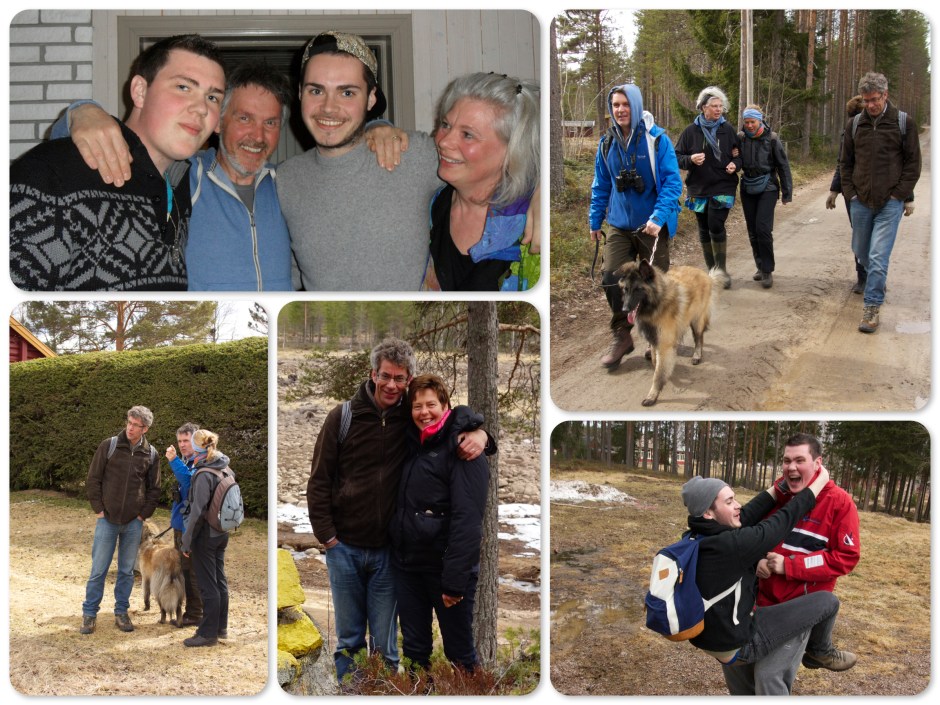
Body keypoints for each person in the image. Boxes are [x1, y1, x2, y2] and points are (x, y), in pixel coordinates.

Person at [278, 31, 539, 291]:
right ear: (300, 93)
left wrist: (543, 193)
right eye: (316, 90)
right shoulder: (283, 181)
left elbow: (523, 152)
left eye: (347, 93)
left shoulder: (414, 155)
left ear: (371, 98)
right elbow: (281, 274)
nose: (328, 108)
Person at [306, 338, 492, 684]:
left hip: (388, 554)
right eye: (386, 376)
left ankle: (388, 692)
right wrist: (327, 536)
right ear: (372, 374)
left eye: (400, 378)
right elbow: (318, 479)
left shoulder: (409, 418)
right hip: (343, 547)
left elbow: (453, 417)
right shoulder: (343, 417)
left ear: (408, 379)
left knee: (387, 644)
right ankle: (352, 692)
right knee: (349, 639)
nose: (392, 385)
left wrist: (481, 433)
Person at [49, 60, 295, 291]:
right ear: (218, 123)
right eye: (244, 118)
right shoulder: (182, 174)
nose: (258, 136)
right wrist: (80, 113)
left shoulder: (286, 184)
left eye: (270, 123)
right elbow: (92, 152)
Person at [10, 34, 225, 291]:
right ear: (140, 91)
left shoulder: (187, 183)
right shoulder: (51, 173)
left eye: (212, 98)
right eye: (183, 87)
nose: (201, 108)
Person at [681, 469, 843, 695]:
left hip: (712, 639)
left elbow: (747, 514)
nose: (738, 505)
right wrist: (818, 484)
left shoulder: (696, 536)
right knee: (827, 601)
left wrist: (779, 488)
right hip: (739, 645)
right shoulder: (731, 545)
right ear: (708, 512)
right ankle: (819, 651)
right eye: (730, 501)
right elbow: (780, 522)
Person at [389, 375, 489, 673]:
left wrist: (455, 581)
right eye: (417, 405)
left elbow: (468, 520)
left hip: (447, 572)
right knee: (415, 651)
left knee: (459, 652)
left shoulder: (464, 448)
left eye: (431, 404)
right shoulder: (411, 442)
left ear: (445, 405)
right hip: (408, 568)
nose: (424, 412)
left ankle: (471, 694)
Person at [588, 83, 682, 367]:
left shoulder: (657, 140)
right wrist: (595, 219)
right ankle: (622, 335)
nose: (620, 110)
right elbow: (601, 185)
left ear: (636, 106)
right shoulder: (607, 144)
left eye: (625, 104)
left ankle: (662, 338)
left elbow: (672, 183)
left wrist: (657, 218)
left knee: (656, 285)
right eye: (615, 105)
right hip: (618, 225)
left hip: (650, 225)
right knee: (610, 278)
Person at [422, 72, 540, 291]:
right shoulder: (434, 205)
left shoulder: (530, 223)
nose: (444, 141)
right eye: (446, 125)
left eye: (467, 135)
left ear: (512, 150)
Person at [755, 433, 860, 672]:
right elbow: (755, 537)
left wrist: (790, 565)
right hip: (760, 603)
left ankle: (819, 650)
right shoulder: (777, 496)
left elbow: (846, 557)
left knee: (769, 678)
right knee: (741, 676)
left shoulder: (840, 502)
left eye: (799, 460)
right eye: (786, 460)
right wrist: (758, 560)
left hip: (799, 608)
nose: (791, 467)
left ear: (817, 463)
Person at [839, 71, 921, 333]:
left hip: (890, 203)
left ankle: (872, 307)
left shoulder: (903, 123)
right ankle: (877, 278)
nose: (870, 105)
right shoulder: (854, 125)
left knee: (877, 255)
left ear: (885, 95)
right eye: (866, 100)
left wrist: (900, 195)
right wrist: (850, 194)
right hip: (860, 201)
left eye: (874, 99)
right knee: (862, 252)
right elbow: (845, 163)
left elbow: (912, 164)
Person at [80, 406, 161, 634]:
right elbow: (93, 479)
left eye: (136, 425)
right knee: (99, 570)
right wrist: (99, 510)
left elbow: (154, 489)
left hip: (133, 523)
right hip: (107, 520)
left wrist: (141, 516)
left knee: (126, 571)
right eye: (129, 422)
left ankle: (121, 612)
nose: (131, 427)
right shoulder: (109, 445)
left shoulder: (151, 454)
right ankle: (89, 614)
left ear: (145, 429)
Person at [674, 86, 741, 288]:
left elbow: (740, 155)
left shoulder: (727, 129)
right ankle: (712, 273)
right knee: (703, 228)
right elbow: (677, 157)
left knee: (715, 224)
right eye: (714, 106)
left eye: (721, 106)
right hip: (698, 188)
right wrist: (691, 159)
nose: (719, 110)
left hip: (723, 186)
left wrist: (735, 165)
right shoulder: (690, 131)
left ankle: (721, 271)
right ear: (703, 107)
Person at [181, 429, 233, 647]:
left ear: (197, 447)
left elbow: (197, 512)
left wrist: (186, 540)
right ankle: (221, 627)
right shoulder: (225, 468)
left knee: (207, 585)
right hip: (222, 532)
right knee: (220, 581)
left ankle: (207, 633)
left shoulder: (203, 473)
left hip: (206, 536)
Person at [737, 104, 792, 289]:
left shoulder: (772, 139)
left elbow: (783, 166)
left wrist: (786, 192)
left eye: (752, 122)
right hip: (747, 187)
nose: (749, 125)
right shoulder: (741, 138)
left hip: (768, 187)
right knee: (752, 230)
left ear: (760, 121)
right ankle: (760, 267)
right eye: (746, 122)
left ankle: (768, 269)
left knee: (763, 229)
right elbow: (734, 159)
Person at [826, 95, 867, 295]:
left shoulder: (884, 131)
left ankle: (875, 277)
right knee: (860, 235)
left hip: (880, 192)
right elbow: (842, 164)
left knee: (877, 238)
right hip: (854, 194)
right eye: (854, 117)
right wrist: (835, 190)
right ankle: (862, 277)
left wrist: (907, 197)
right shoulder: (847, 133)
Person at [165, 422, 203, 626]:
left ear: (196, 440)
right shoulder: (189, 461)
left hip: (190, 527)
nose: (182, 445)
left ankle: (195, 613)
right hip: (181, 524)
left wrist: (173, 461)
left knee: (191, 571)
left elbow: (189, 483)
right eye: (179, 441)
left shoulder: (198, 463)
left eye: (186, 441)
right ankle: (192, 611)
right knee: (185, 570)